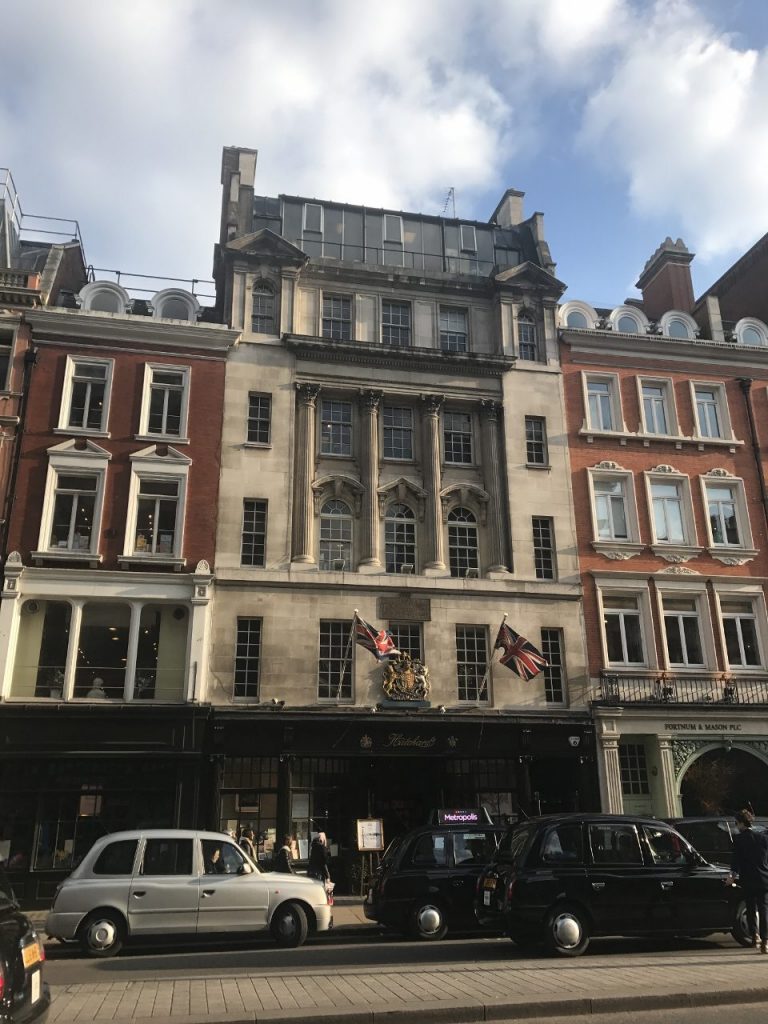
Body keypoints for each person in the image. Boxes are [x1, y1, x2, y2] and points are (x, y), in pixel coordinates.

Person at [726, 808, 768, 952]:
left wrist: (732, 877)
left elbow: (735, 861)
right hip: (763, 878)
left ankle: (754, 935)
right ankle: (765, 941)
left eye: (736, 823)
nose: (736, 825)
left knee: (750, 907)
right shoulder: (762, 837)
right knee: (763, 909)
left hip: (748, 879)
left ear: (741, 823)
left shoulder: (738, 840)